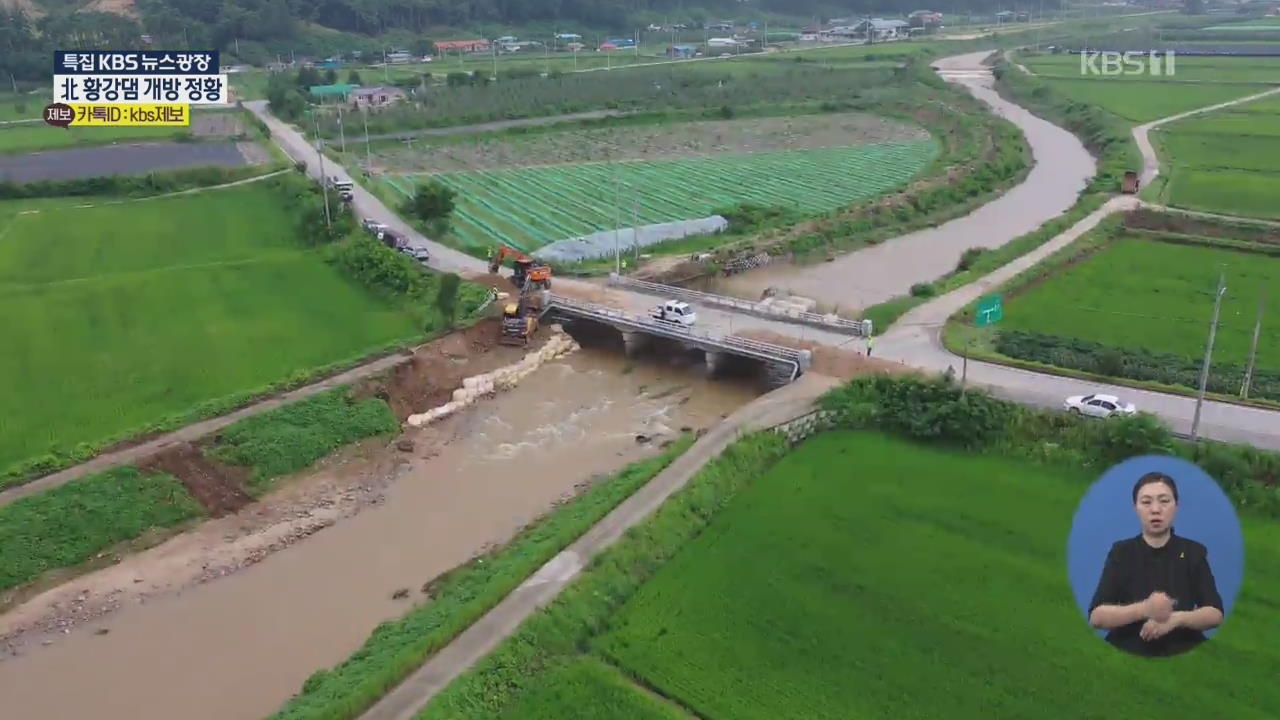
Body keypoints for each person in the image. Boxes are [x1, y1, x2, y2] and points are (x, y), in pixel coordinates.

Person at [1088, 472, 1224, 657]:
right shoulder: (1122, 552)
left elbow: (1214, 613)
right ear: (1135, 507)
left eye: (1164, 501)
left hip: (1183, 647)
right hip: (1128, 646)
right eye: (1146, 502)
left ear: (1176, 506)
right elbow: (1097, 617)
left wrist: (1175, 619)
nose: (1155, 509)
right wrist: (1145, 609)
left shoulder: (1193, 552)